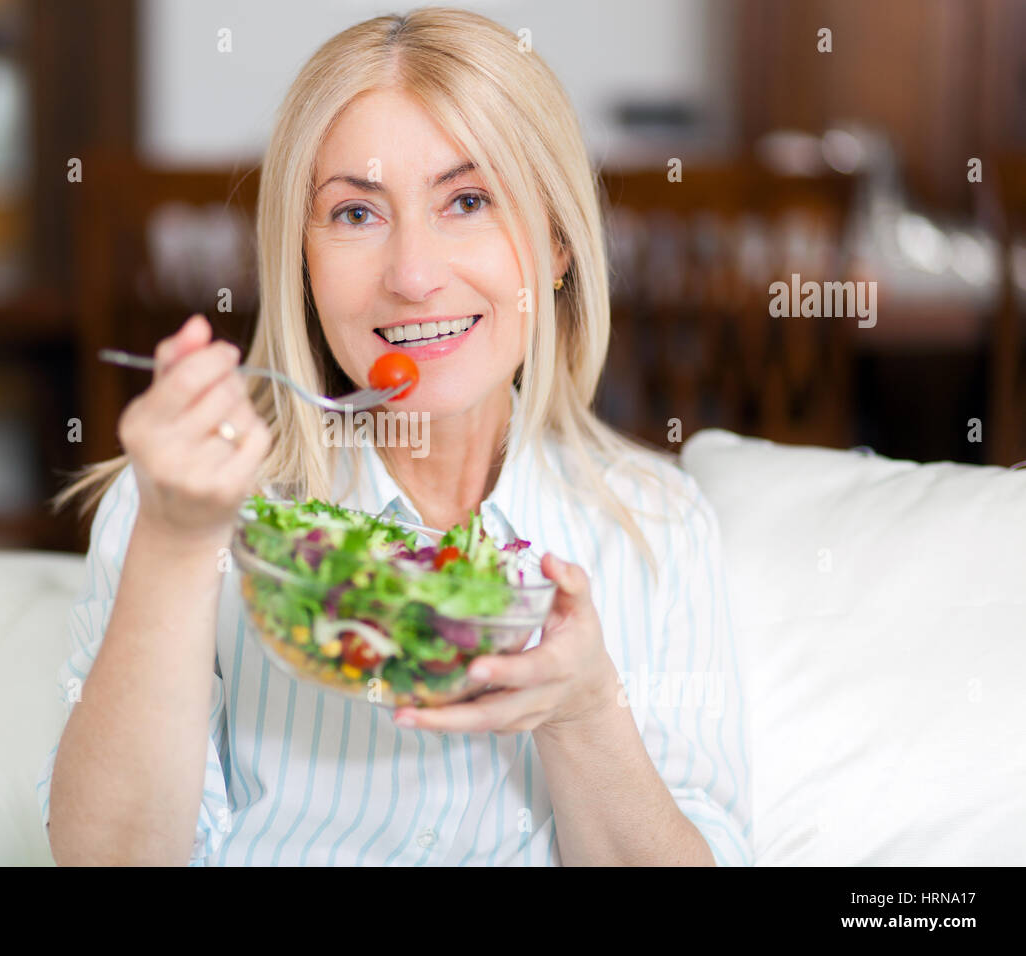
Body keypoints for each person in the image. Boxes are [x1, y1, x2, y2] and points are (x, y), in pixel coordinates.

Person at [38, 6, 751, 866]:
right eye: (354, 215)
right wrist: (178, 544)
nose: (412, 276)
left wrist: (583, 711)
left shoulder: (659, 529)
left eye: (469, 200)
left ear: (559, 242)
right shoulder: (180, 508)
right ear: (301, 259)